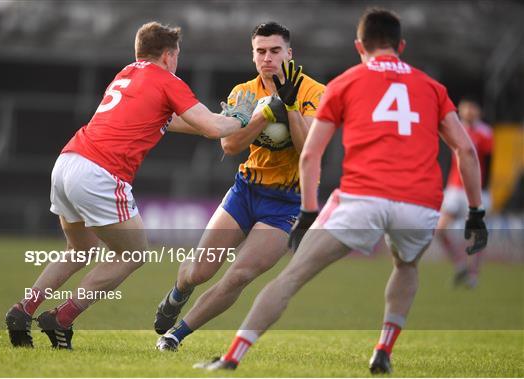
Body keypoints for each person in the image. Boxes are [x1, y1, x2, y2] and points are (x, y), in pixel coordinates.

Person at [194, 8, 488, 374]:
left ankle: (232, 357)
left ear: (359, 46)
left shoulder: (346, 82)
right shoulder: (432, 88)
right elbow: (465, 151)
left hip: (362, 196)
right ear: (402, 45)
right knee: (407, 265)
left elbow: (312, 152)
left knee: (292, 276)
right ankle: (383, 348)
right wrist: (476, 213)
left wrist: (308, 212)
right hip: (420, 202)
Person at [5, 21, 257, 349]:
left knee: (79, 250)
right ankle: (62, 318)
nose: (177, 61)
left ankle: (23, 310)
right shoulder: (167, 79)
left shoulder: (127, 74)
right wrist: (240, 119)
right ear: (168, 55)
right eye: (177, 54)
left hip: (68, 162)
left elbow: (183, 121)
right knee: (135, 253)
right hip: (100, 172)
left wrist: (223, 120)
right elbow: (211, 128)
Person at [153, 22, 325, 351]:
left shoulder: (314, 92)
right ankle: (177, 293)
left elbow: (309, 150)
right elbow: (230, 146)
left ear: (289, 53)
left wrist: (288, 108)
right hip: (246, 191)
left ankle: (176, 335)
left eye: (275, 51)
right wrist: (262, 116)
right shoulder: (244, 93)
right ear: (253, 56)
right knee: (198, 272)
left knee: (239, 275)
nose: (268, 58)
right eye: (260, 51)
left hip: (286, 204)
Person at [437, 97, 493, 288]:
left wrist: (484, 192)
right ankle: (460, 264)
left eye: (472, 107)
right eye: (465, 108)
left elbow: (489, 163)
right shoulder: (455, 128)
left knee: (476, 234)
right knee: (439, 230)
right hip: (454, 188)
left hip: (476, 190)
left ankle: (473, 274)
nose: (468, 111)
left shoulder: (485, 133)